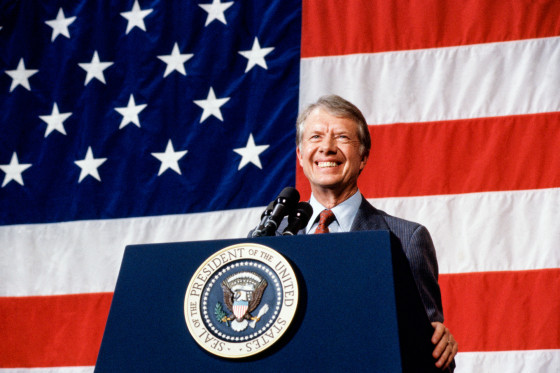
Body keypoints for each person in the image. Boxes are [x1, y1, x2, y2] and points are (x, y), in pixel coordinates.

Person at [291, 94, 457, 370]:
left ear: (363, 157)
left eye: (342, 137)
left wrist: (439, 347)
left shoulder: (407, 238)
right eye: (316, 137)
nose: (327, 148)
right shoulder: (268, 238)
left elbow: (431, 349)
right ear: (300, 154)